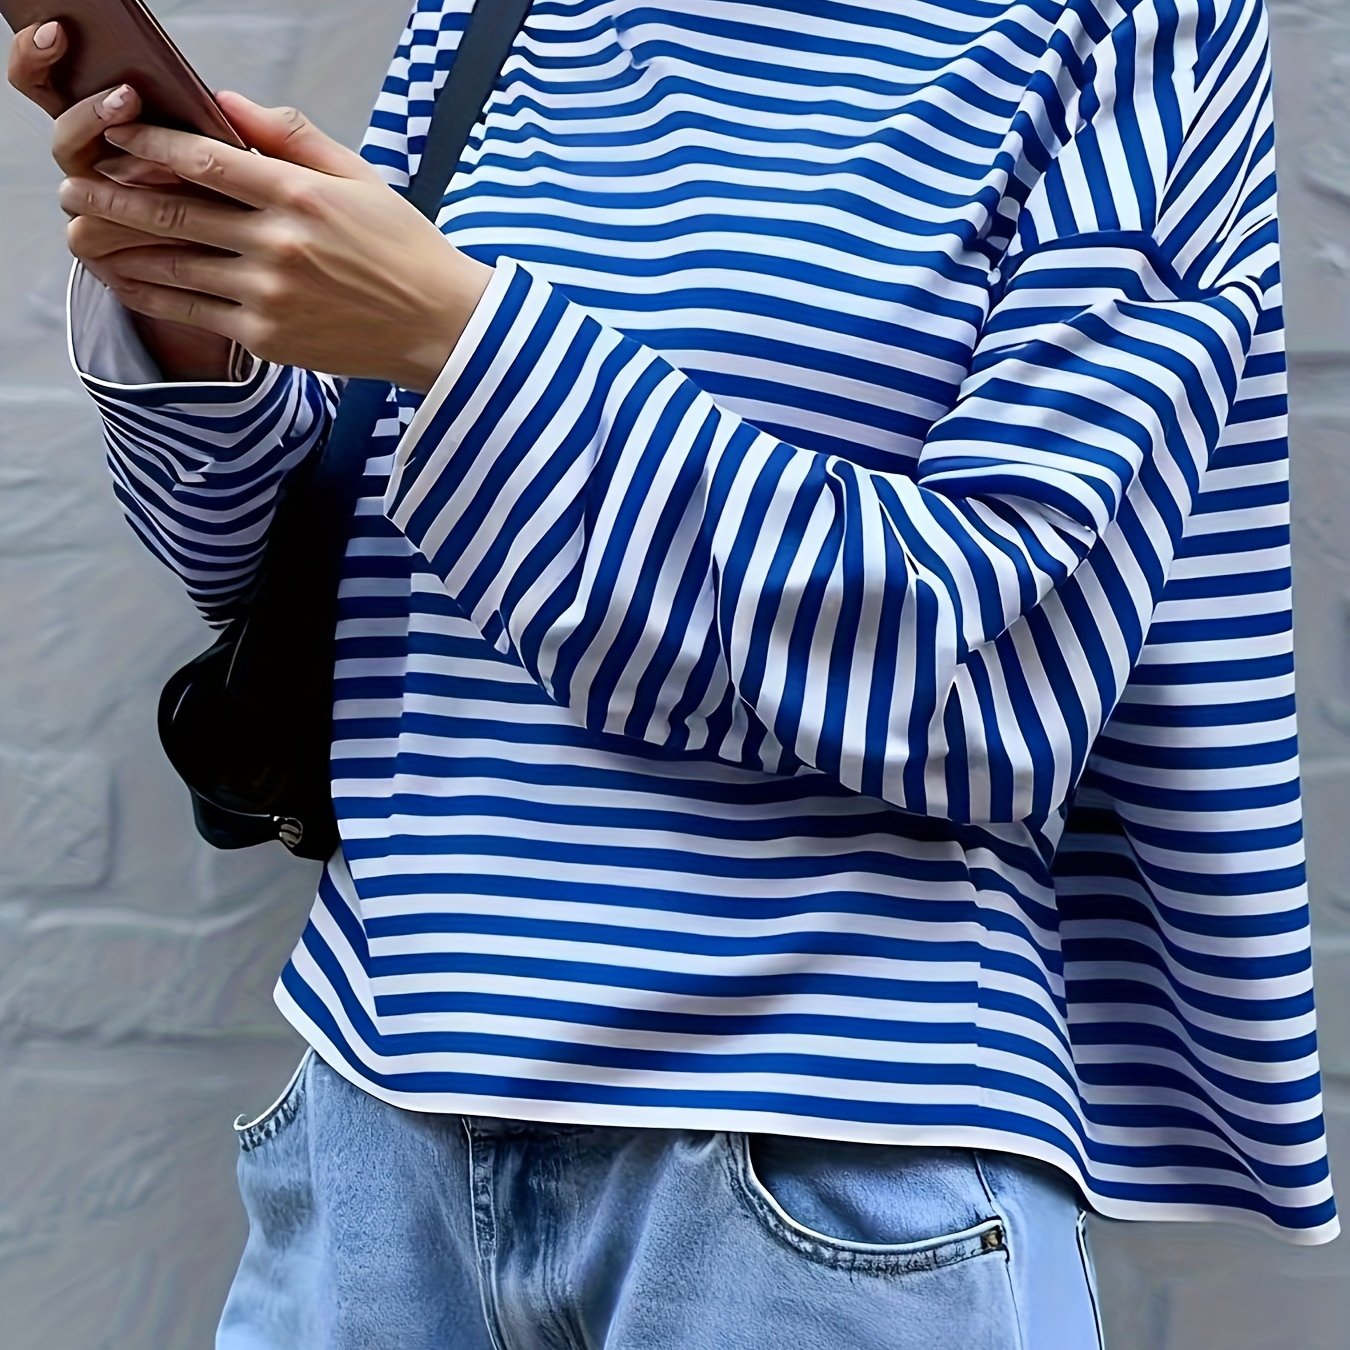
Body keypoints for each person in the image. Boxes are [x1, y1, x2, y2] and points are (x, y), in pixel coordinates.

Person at [8, 0, 1337, 1345]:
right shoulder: (494, 17)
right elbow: (320, 573)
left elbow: (999, 685)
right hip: (375, 1133)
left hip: (825, 1167)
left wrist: (460, 336)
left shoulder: (1126, 30)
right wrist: (196, 319)